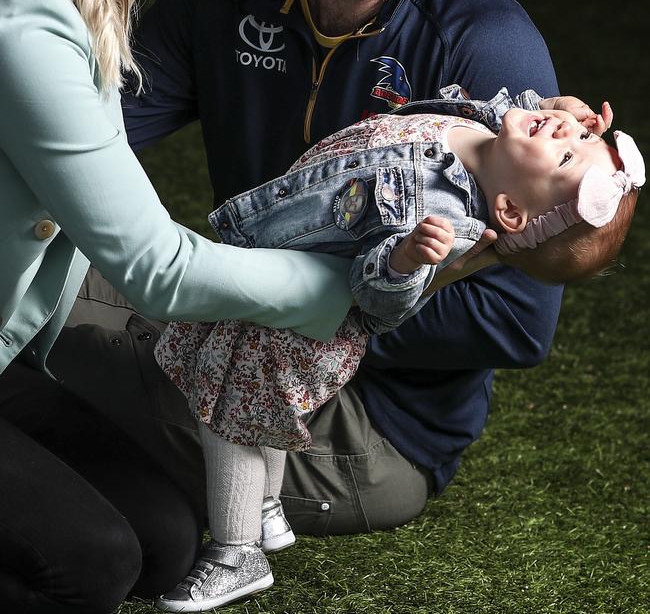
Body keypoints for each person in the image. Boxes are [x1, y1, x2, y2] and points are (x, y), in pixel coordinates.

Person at [52, 0, 569, 541]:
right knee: (42, 267)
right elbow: (85, 129)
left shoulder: (487, 44)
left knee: (59, 349)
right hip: (235, 324)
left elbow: (518, 322)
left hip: (371, 429)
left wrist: (298, 307)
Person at [0, 0, 358, 614]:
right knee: (89, 565)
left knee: (164, 542)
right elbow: (156, 268)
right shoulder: (20, 29)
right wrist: (333, 289)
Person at [154, 84, 642, 611]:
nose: (568, 132)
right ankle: (268, 507)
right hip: (276, 282)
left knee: (232, 419)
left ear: (510, 212)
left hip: (293, 322)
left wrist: (405, 263)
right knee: (264, 416)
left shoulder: (446, 220)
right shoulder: (484, 139)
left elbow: (379, 304)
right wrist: (555, 111)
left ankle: (238, 552)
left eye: (567, 154)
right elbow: (491, 113)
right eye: (585, 135)